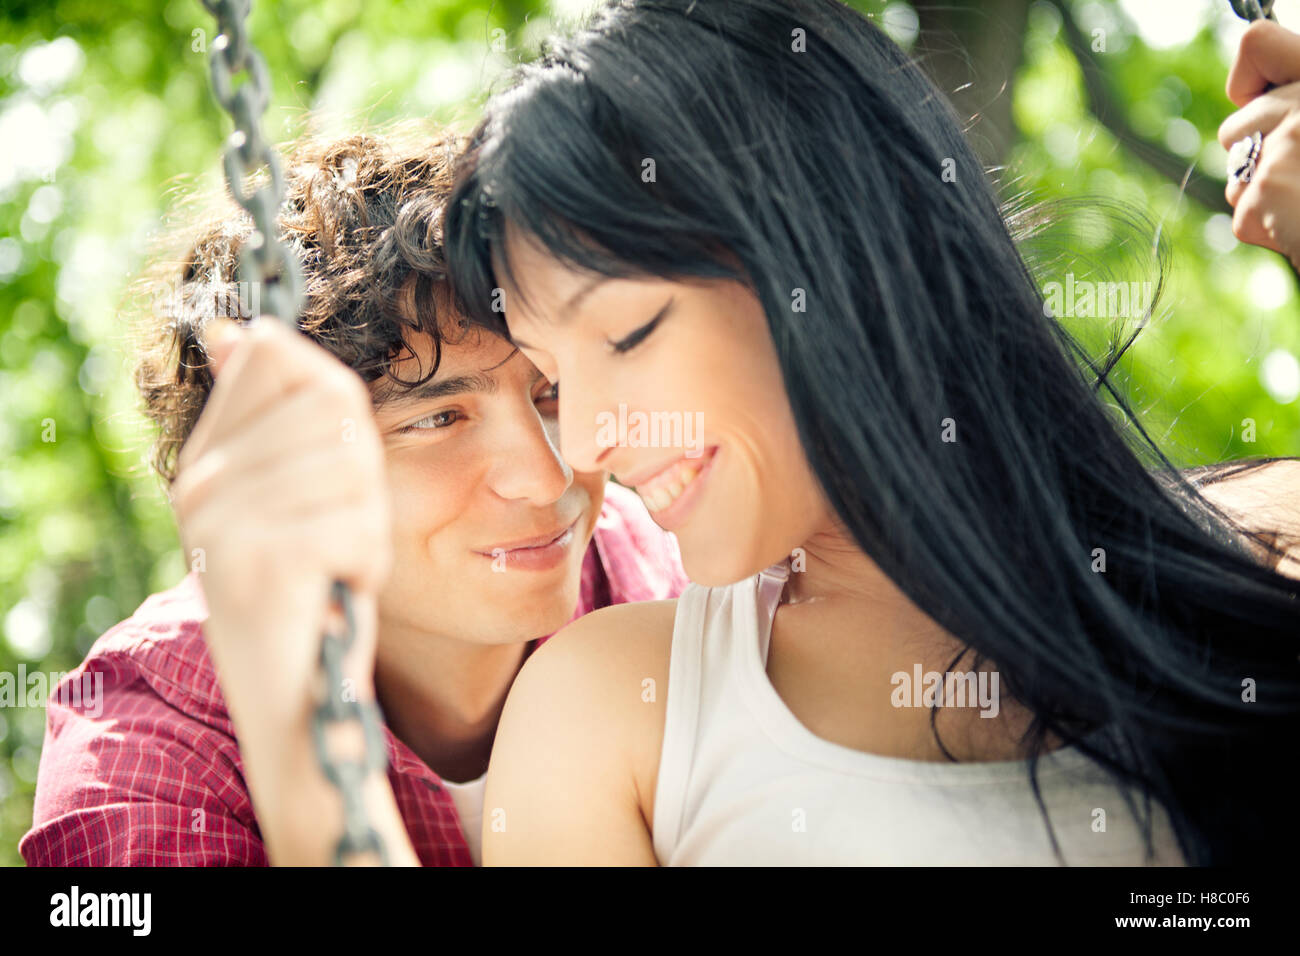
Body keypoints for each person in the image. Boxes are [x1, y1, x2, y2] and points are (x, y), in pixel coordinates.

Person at [431, 0, 1300, 865]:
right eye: (554, 379)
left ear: (833, 257)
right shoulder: (610, 715)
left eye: (625, 336)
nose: (582, 445)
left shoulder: (1267, 548)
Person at [19, 128, 687, 867]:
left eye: (552, 391)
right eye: (438, 418)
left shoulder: (671, 577)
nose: (549, 475)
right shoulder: (148, 747)